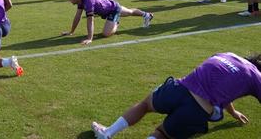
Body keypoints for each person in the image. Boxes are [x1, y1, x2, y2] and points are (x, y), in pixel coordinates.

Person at [91, 52, 261, 139]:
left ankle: (107, 133)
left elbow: (221, 83)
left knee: (144, 106)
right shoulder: (256, 77)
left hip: (178, 89)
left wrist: (233, 112)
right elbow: (222, 90)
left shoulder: (229, 54)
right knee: (162, 134)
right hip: (198, 110)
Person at [61, 0, 153, 45]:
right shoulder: (81, 1)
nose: (69, 1)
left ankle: (116, 22)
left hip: (113, 9)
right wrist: (71, 32)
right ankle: (147, 15)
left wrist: (90, 38)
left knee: (106, 34)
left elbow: (90, 21)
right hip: (111, 6)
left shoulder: (88, 2)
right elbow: (77, 16)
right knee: (129, 12)